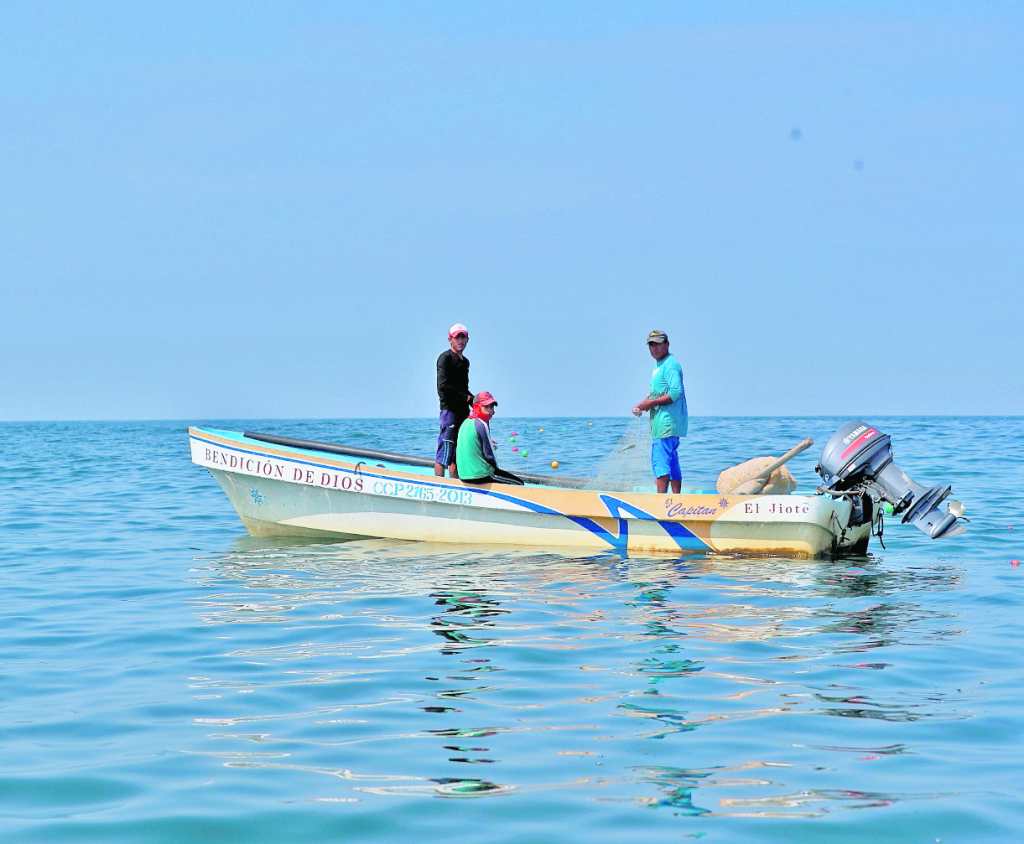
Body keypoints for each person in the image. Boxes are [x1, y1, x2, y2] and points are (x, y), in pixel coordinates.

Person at [632, 329, 688, 493]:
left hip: (666, 423)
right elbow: (654, 395)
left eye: (657, 344)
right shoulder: (660, 366)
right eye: (651, 345)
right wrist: (641, 406)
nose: (654, 348)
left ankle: (661, 504)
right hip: (666, 424)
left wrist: (651, 403)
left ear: (667, 344)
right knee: (671, 461)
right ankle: (676, 499)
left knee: (661, 462)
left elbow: (675, 392)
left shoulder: (670, 365)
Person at [456, 391, 524, 485]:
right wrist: (497, 471)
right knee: (519, 483)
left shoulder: (465, 422)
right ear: (477, 407)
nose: (491, 411)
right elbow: (489, 456)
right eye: (486, 407)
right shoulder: (481, 424)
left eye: (492, 407)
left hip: (463, 475)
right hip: (480, 476)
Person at [435, 322, 473, 477]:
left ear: (467, 340)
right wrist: (465, 397)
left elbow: (464, 388)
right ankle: (438, 484)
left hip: (463, 412)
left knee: (457, 453)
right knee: (445, 451)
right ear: (450, 339)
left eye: (463, 337)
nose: (460, 341)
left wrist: (474, 401)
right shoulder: (445, 358)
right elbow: (443, 387)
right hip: (449, 410)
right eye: (457, 337)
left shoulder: (465, 362)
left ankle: (456, 485)